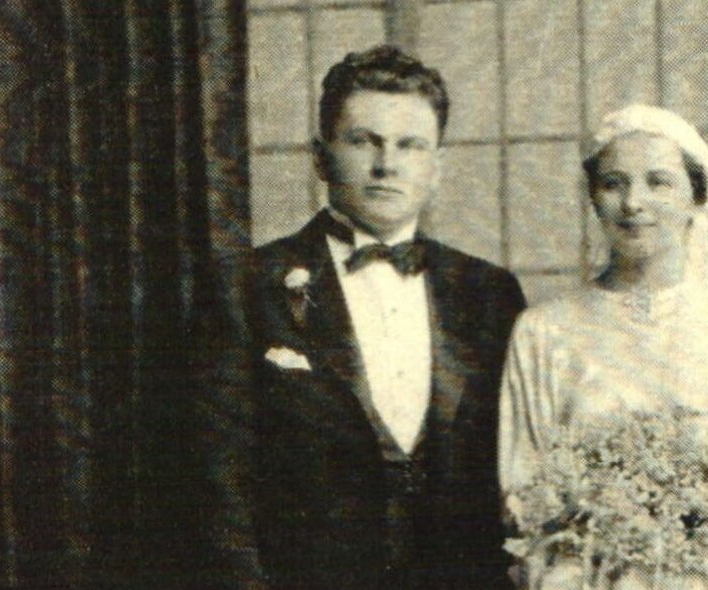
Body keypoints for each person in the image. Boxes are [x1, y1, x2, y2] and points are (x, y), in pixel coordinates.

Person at [200, 45, 525, 589]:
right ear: (320, 157)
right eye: (363, 141)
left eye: (410, 145)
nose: (386, 165)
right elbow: (219, 478)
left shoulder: (488, 293)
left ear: (437, 166)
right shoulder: (248, 287)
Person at [498, 105, 708, 589]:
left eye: (659, 182)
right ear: (593, 198)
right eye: (613, 183)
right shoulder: (544, 333)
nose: (634, 203)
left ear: (697, 199)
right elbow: (526, 491)